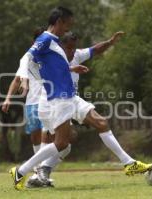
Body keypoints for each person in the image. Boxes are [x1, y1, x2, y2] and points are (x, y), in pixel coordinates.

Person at [9, 6, 152, 191]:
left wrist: (71, 69)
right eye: (67, 25)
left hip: (70, 97)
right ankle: (21, 171)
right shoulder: (45, 39)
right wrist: (25, 79)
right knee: (61, 143)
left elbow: (50, 68)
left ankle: (129, 163)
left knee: (101, 122)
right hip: (57, 99)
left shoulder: (53, 42)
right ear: (59, 21)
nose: (67, 30)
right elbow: (25, 59)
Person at [33, 30, 132, 186]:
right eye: (69, 48)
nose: (72, 52)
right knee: (61, 141)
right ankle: (36, 172)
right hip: (53, 103)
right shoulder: (53, 58)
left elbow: (94, 50)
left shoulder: (77, 55)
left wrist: (110, 42)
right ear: (60, 46)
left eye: (74, 48)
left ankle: (128, 162)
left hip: (71, 101)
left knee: (87, 129)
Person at [2, 27, 46, 158]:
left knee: (47, 132)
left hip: (49, 101)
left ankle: (42, 167)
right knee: (35, 134)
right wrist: (8, 98)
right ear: (35, 42)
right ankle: (38, 165)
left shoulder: (53, 56)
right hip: (32, 103)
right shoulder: (27, 59)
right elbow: (16, 80)